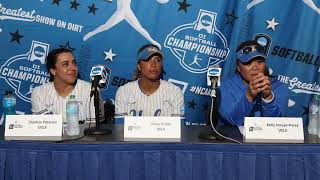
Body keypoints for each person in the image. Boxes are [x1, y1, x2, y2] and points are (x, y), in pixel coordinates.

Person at [219, 40, 289, 126]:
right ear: (238, 67)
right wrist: (249, 96)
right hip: (233, 138)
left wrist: (268, 98)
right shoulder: (225, 87)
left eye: (259, 62)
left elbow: (276, 126)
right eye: (248, 63)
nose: (255, 67)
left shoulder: (278, 86)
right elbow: (234, 121)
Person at [115, 44, 184, 116]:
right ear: (139, 66)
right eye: (148, 60)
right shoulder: (124, 92)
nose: (153, 64)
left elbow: (179, 126)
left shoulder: (175, 92)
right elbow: (121, 125)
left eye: (157, 60)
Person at [31, 48, 95, 123]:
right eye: (65, 64)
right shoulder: (39, 92)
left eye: (74, 63)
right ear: (53, 71)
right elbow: (44, 126)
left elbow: (93, 128)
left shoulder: (90, 90)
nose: (72, 68)